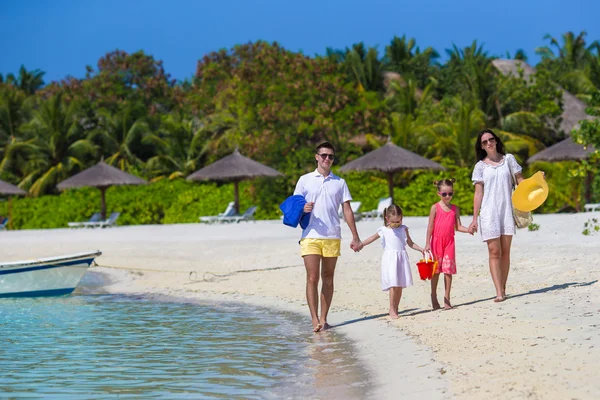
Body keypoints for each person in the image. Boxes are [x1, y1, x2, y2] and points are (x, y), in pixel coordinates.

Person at [293, 142, 363, 332]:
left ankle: (324, 319)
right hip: (310, 235)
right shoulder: (304, 179)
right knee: (312, 277)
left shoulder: (339, 182)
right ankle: (314, 319)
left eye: (330, 156)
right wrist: (303, 207)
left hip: (332, 235)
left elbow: (346, 209)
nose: (327, 159)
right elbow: (294, 204)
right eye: (323, 155)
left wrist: (355, 236)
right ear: (316, 156)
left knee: (329, 278)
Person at [468, 129, 543, 303]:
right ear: (481, 146)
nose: (489, 143)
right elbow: (478, 194)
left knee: (505, 252)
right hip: (488, 213)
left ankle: (503, 288)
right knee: (494, 251)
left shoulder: (508, 159)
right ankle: (498, 292)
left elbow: (521, 182)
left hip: (506, 211)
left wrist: (537, 180)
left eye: (491, 139)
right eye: (484, 142)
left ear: (496, 140)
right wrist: (474, 218)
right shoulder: (480, 166)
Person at [361, 204, 424, 319]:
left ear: (402, 218)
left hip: (401, 258)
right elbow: (371, 238)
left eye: (398, 221)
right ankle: (391, 308)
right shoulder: (383, 230)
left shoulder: (403, 229)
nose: (396, 224)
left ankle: (396, 307)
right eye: (393, 222)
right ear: (387, 219)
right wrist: (361, 244)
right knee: (393, 283)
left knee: (399, 284)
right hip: (390, 259)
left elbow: (410, 243)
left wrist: (421, 249)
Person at [424, 178, 472, 310]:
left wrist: (468, 230)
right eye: (444, 194)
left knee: (448, 270)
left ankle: (447, 298)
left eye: (450, 194)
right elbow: (430, 227)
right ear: (438, 193)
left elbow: (458, 226)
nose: (447, 196)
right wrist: (427, 243)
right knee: (436, 271)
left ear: (453, 192)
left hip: (449, 242)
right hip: (436, 241)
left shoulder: (455, 209)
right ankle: (433, 296)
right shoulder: (435, 208)